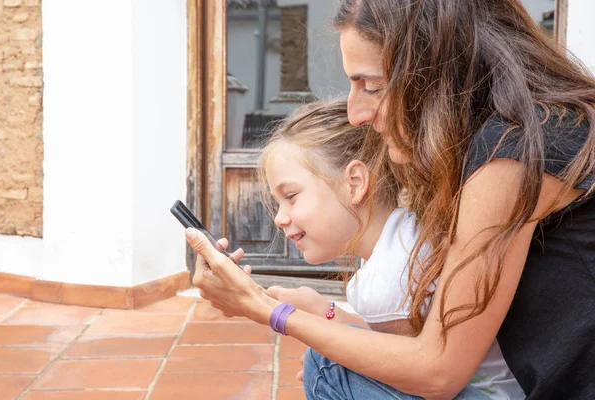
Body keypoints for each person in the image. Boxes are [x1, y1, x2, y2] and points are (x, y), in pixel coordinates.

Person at [185, 1, 595, 399]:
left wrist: (265, 310)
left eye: (372, 86)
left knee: (326, 367)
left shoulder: (512, 151)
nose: (355, 112)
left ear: (438, 73)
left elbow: (437, 371)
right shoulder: (517, 135)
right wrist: (321, 312)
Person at [260, 98, 525, 399]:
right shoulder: (406, 236)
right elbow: (385, 339)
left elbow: (405, 366)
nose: (280, 218)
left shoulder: (387, 277)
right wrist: (323, 309)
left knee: (324, 364)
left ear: (356, 183)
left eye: (291, 196)